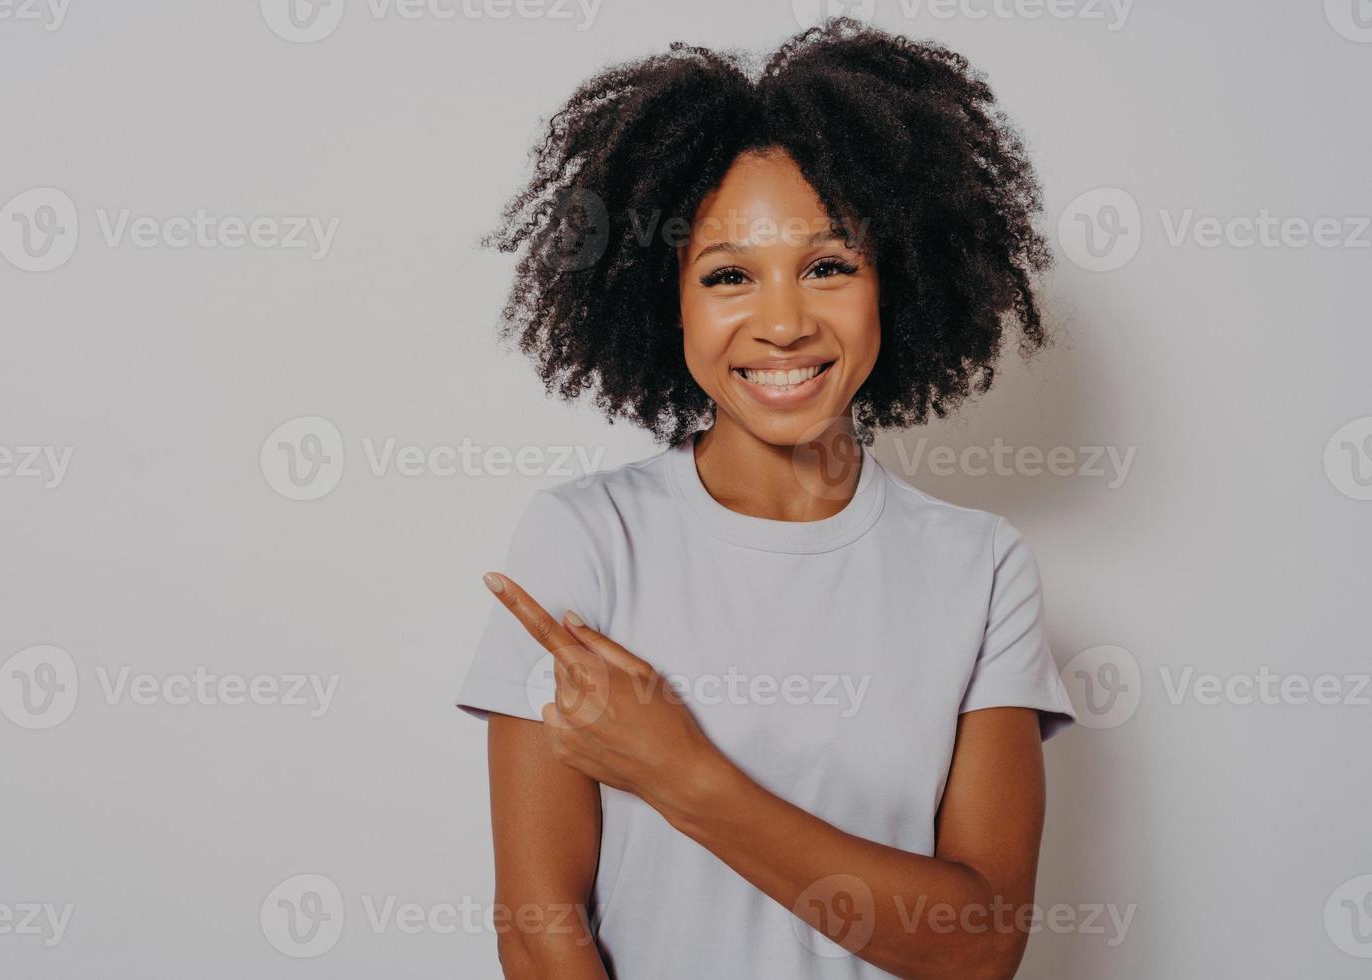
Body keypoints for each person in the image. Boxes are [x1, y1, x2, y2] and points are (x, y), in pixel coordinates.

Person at [454, 18, 1076, 979]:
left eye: (829, 266)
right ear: (668, 303)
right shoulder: (587, 539)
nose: (783, 323)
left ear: (896, 284)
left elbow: (981, 944)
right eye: (729, 275)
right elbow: (539, 931)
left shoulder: (980, 566)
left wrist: (679, 770)